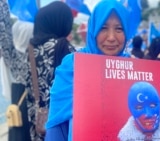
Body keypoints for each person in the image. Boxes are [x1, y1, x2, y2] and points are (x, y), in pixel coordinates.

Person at [45, 0, 130, 140]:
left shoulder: (134, 69)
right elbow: (56, 125)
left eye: (119, 29)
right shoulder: (73, 65)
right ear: (93, 30)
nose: (111, 37)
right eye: (103, 28)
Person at [1, 1, 76, 140]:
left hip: (37, 125)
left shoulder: (30, 52)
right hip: (61, 126)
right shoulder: (65, 49)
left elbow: (7, 48)